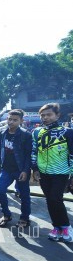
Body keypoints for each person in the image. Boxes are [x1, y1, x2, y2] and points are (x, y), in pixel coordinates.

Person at [32, 103, 73, 242]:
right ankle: (56, 227)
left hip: (61, 173)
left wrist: (72, 175)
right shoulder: (37, 132)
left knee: (56, 198)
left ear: (57, 115)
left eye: (49, 115)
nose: (45, 118)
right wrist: (35, 169)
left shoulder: (67, 132)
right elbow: (34, 152)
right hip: (44, 173)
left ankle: (66, 227)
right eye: (42, 115)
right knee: (50, 200)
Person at [0, 109, 32, 228]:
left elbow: (28, 155)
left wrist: (25, 171)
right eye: (9, 119)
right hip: (6, 169)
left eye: (15, 120)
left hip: (20, 170)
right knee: (0, 191)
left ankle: (25, 217)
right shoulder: (3, 132)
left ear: (21, 121)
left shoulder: (26, 135)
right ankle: (6, 214)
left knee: (24, 195)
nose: (11, 122)